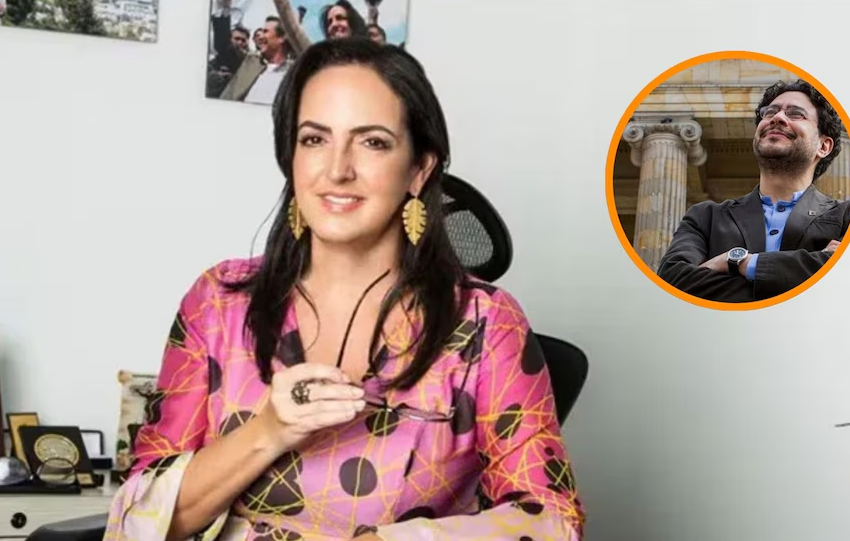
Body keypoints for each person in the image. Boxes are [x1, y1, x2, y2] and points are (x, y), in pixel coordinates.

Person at [103, 38, 584, 541]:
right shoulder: (218, 301)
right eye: (314, 139)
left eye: (372, 142)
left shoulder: (485, 323)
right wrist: (268, 432)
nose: (337, 170)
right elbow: (139, 518)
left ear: (419, 169)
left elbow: (552, 520)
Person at [657, 79, 850, 303]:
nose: (777, 118)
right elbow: (672, 284)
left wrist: (736, 262)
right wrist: (808, 271)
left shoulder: (844, 216)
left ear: (823, 146)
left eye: (796, 114)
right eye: (770, 112)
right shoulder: (705, 217)